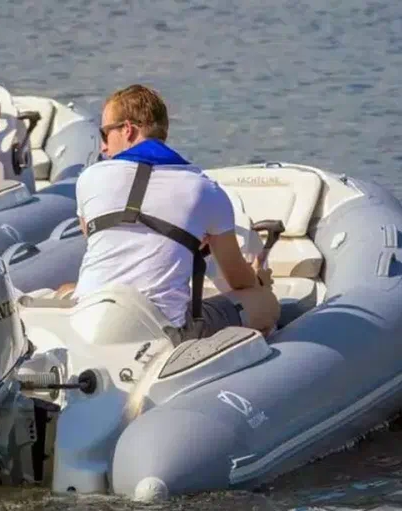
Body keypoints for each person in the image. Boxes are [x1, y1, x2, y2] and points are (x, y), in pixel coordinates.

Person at [55, 84, 280, 338]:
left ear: (127, 130)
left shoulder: (89, 178)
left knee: (67, 288)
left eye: (104, 134)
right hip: (163, 332)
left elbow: (101, 240)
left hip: (89, 320)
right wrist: (258, 280)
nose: (103, 147)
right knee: (265, 302)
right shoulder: (204, 189)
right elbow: (237, 280)